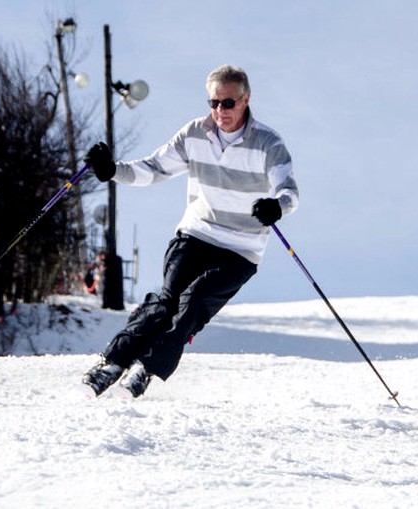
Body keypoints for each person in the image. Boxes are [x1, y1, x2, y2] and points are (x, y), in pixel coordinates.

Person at [81, 65, 298, 397]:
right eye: (213, 103)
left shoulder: (268, 143)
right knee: (166, 301)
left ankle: (146, 369)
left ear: (246, 99)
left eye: (228, 103)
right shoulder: (195, 133)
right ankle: (111, 363)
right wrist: (112, 170)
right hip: (196, 234)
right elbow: (153, 169)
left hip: (241, 249)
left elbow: (289, 191)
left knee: (193, 302)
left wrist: (276, 206)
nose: (219, 111)